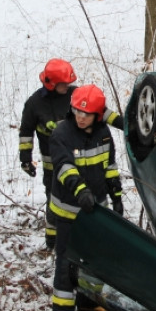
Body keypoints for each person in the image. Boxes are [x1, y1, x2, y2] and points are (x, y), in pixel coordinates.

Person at [18, 59, 122, 249]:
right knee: (54, 200)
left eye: (68, 83)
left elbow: (100, 111)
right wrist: (25, 159)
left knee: (80, 199)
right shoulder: (34, 104)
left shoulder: (75, 94)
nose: (67, 87)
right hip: (53, 164)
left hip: (80, 161)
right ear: (51, 83)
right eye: (62, 84)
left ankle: (79, 236)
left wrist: (124, 124)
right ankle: (52, 237)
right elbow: (26, 132)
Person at [47, 84, 124, 311]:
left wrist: (117, 196)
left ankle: (88, 303)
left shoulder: (103, 134)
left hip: (95, 211)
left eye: (86, 113)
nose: (80, 117)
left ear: (97, 115)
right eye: (77, 112)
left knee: (93, 260)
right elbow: (63, 167)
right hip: (69, 211)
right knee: (67, 263)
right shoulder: (62, 133)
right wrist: (81, 192)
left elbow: (110, 166)